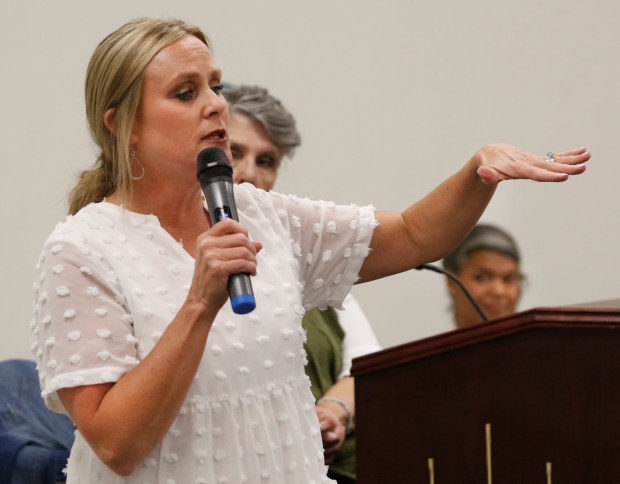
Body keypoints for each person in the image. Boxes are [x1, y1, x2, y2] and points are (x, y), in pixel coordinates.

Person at [28, 17, 589, 484]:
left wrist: (477, 174)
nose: (215, 106)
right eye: (185, 93)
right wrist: (199, 304)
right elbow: (117, 445)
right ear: (121, 124)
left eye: (215, 86)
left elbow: (416, 235)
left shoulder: (263, 213)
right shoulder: (82, 249)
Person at [223, 83, 381, 483]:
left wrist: (333, 412)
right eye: (236, 152)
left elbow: (367, 364)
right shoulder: (174, 254)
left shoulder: (301, 252)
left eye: (267, 160)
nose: (249, 173)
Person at [442, 223, 523, 329]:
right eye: (482, 278)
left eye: (508, 279)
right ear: (451, 280)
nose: (498, 291)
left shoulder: (542, 344)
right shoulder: (428, 345)